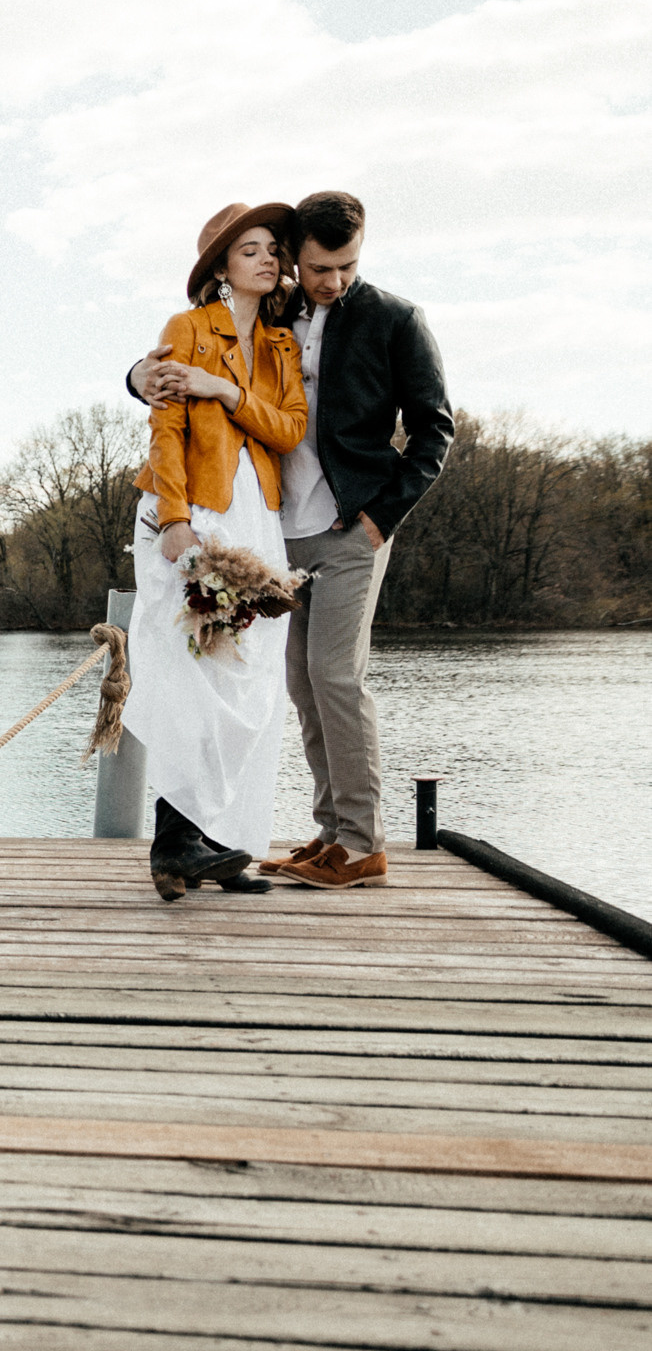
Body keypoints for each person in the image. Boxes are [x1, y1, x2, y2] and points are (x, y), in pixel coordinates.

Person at [131, 192, 454, 890]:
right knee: (296, 686)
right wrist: (138, 377)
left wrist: (380, 518)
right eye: (317, 267)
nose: (332, 281)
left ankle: (360, 843)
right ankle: (327, 833)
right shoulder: (281, 312)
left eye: (347, 266)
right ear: (295, 262)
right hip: (272, 535)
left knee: (334, 678)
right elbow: (185, 354)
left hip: (349, 529)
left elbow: (435, 429)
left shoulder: (394, 319)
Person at [124, 202, 307, 901]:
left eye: (272, 250)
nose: (267, 259)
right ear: (222, 266)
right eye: (250, 249)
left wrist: (224, 389)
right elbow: (165, 428)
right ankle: (176, 842)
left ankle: (213, 845)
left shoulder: (282, 345)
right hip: (194, 509)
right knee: (191, 672)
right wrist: (174, 520)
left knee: (249, 681)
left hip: (258, 516)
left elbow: (288, 430)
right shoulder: (187, 329)